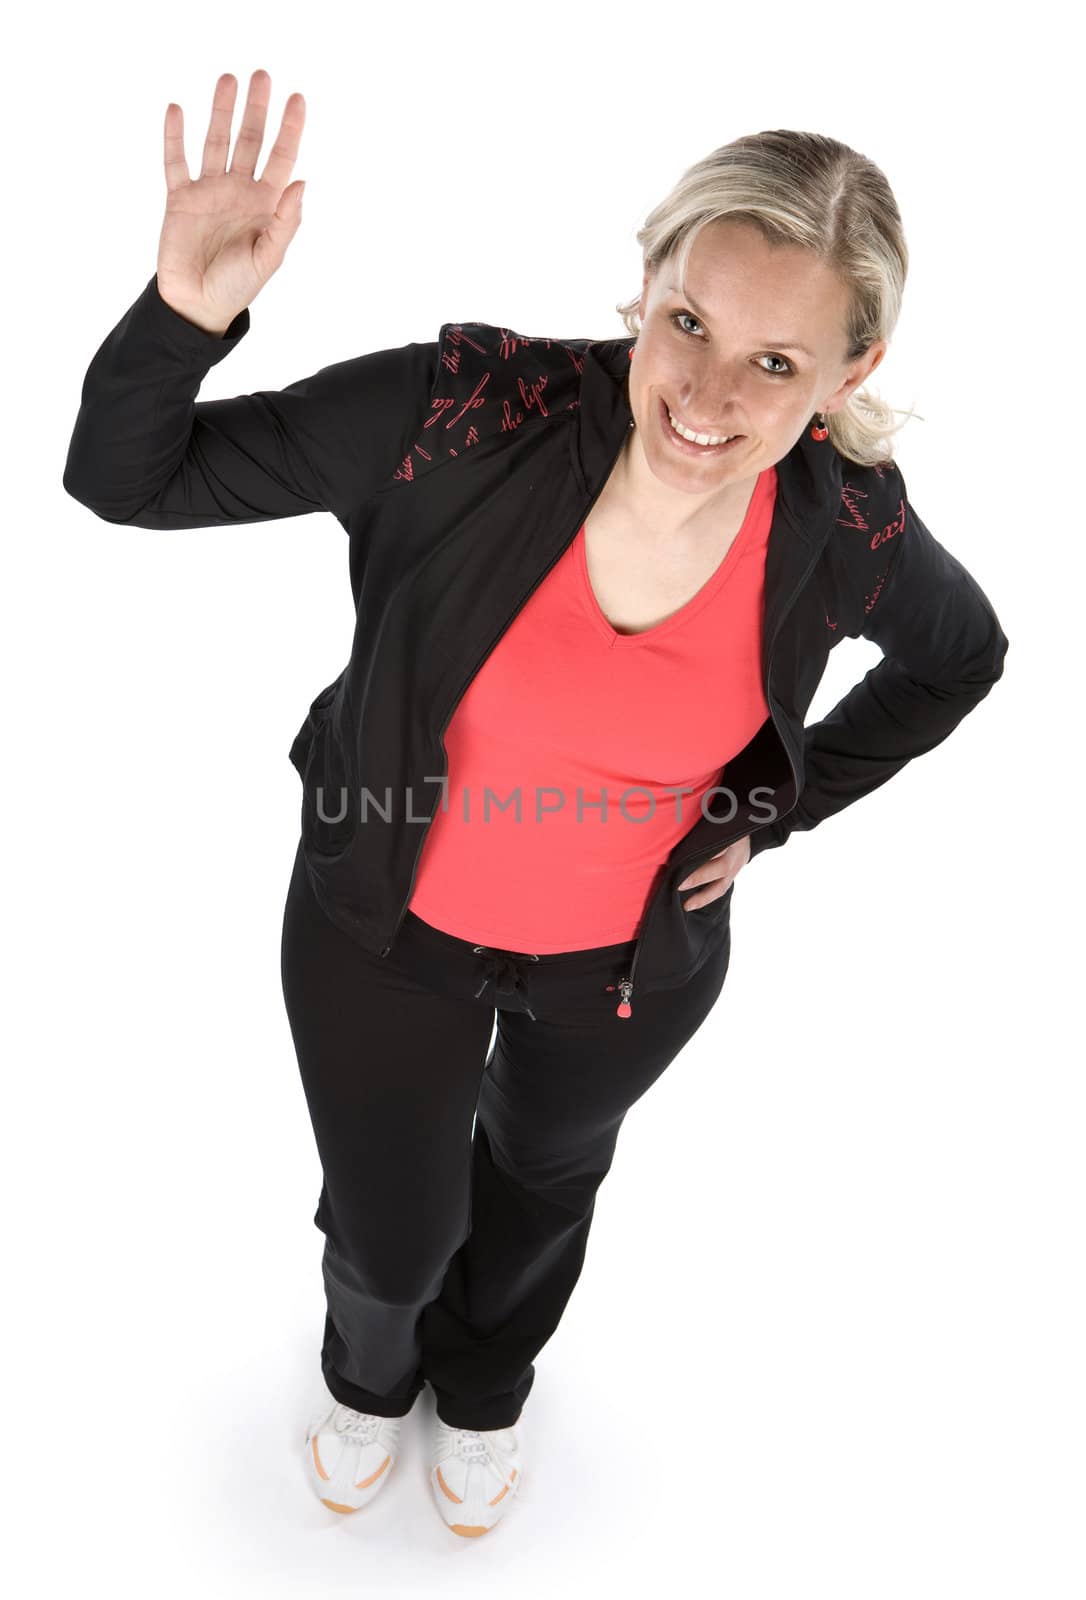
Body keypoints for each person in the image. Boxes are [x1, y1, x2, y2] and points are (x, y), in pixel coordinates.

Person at [62, 71, 1010, 1539]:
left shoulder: (849, 525)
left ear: (846, 368)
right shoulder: (465, 412)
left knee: (544, 1183)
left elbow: (961, 659)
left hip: (625, 968)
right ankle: (369, 1377)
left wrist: (773, 806)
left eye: (774, 364)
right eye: (689, 325)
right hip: (385, 927)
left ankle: (489, 1381)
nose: (704, 397)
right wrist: (185, 312)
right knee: (389, 1231)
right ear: (646, 285)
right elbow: (125, 481)